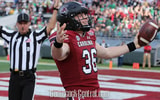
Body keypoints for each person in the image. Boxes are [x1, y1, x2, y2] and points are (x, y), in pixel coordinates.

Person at [49, 1, 159, 100]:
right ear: (68, 20)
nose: (85, 17)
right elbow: (58, 54)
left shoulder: (87, 35)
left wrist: (134, 45)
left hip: (95, 94)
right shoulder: (65, 37)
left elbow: (106, 53)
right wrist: (58, 43)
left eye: (84, 14)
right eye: (80, 15)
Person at [0, 0, 60, 100]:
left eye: (25, 23)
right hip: (14, 77)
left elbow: (50, 28)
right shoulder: (11, 36)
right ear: (17, 24)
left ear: (29, 24)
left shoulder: (35, 36)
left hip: (28, 77)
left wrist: (55, 10)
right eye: (20, 23)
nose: (23, 26)